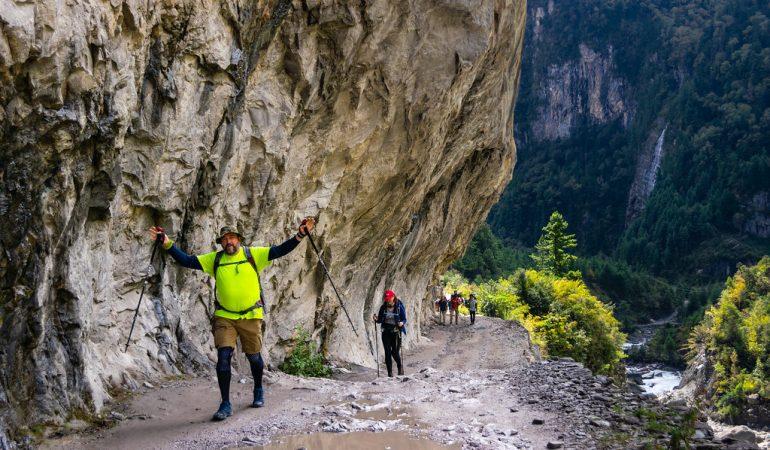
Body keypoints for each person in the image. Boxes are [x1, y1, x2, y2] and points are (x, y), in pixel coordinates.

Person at [148, 218, 315, 421]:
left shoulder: (253, 254)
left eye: (232, 238)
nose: (229, 242)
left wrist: (300, 235)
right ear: (221, 242)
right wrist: (166, 242)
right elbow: (187, 261)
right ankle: (225, 403)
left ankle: (258, 389)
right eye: (225, 239)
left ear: (239, 240)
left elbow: (279, 250)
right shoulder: (215, 259)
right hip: (224, 316)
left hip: (251, 315)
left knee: (254, 357)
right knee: (223, 357)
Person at [372, 290, 407, 377]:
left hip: (396, 332)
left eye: (389, 298)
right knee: (387, 352)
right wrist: (376, 319)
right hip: (386, 332)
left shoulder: (399, 307)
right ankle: (390, 373)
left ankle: (400, 367)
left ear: (393, 297)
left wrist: (402, 323)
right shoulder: (383, 307)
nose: (388, 300)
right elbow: (380, 320)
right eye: (387, 298)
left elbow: (404, 319)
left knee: (394, 352)